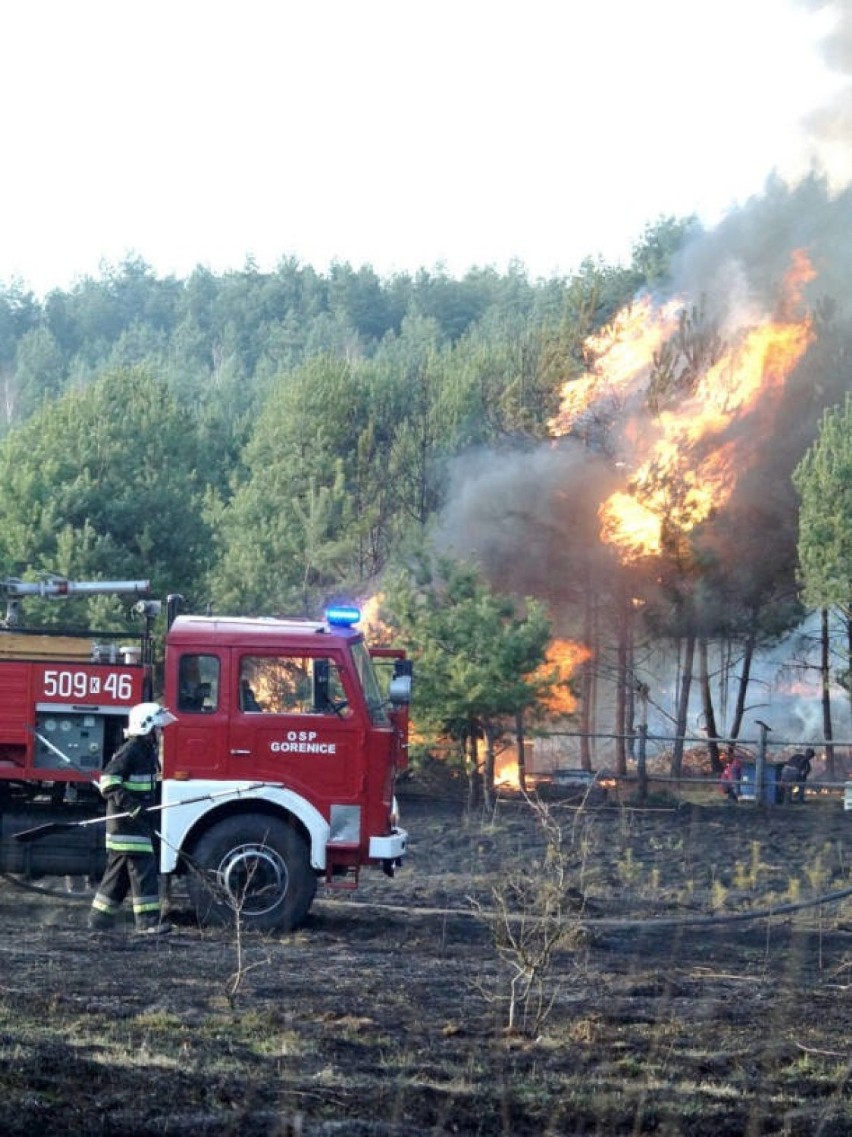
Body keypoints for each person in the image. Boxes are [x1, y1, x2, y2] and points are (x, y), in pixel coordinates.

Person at [89, 701, 177, 935]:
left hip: (134, 824)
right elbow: (108, 782)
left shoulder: (146, 752)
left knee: (117, 877)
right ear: (146, 727)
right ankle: (148, 922)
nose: (160, 732)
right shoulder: (131, 750)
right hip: (126, 824)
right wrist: (132, 806)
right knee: (144, 871)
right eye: (157, 728)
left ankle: (99, 919)